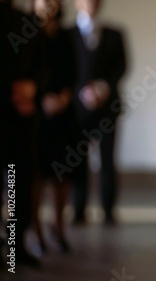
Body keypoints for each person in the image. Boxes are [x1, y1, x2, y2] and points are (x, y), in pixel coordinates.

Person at [69, 0, 126, 225]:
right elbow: (65, 68)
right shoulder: (68, 35)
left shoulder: (114, 33)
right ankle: (78, 209)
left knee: (108, 160)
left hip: (108, 108)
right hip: (77, 109)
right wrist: (80, 92)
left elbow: (122, 66)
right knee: (77, 159)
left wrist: (102, 88)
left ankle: (109, 210)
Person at [0, 0, 47, 266]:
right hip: (13, 113)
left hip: (20, 122)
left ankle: (15, 249)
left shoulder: (27, 23)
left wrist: (33, 88)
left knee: (18, 184)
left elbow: (43, 66)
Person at [32, 0, 76, 253]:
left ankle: (58, 228)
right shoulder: (24, 31)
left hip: (63, 113)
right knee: (35, 175)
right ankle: (35, 231)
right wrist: (42, 99)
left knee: (62, 173)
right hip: (35, 114)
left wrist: (64, 98)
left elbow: (74, 71)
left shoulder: (65, 35)